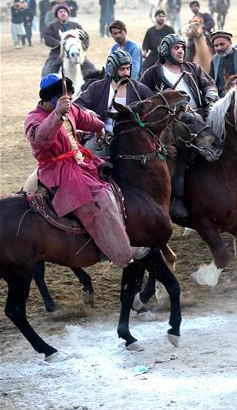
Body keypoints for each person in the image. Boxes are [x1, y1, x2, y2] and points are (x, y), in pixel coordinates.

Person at [26, 73, 148, 266]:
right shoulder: (33, 119)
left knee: (115, 183)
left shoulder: (69, 108)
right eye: (64, 98)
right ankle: (120, 252)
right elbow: (40, 140)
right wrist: (57, 114)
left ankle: (122, 235)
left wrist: (99, 127)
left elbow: (86, 119)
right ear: (51, 98)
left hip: (80, 163)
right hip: (57, 171)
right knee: (100, 198)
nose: (69, 102)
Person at [139, 33, 218, 218]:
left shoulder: (193, 68)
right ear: (166, 51)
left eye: (182, 47)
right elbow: (143, 96)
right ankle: (179, 199)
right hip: (174, 122)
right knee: (181, 154)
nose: (181, 51)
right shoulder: (152, 73)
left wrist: (211, 94)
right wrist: (162, 100)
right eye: (176, 48)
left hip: (201, 115)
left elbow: (209, 84)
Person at [75, 51, 154, 143]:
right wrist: (87, 112)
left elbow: (154, 105)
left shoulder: (139, 88)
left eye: (128, 68)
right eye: (122, 69)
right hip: (101, 136)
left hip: (132, 138)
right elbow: (77, 105)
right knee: (90, 152)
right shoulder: (97, 87)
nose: (126, 73)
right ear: (112, 69)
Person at [41, 3, 95, 77]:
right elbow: (47, 37)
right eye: (60, 12)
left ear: (68, 14)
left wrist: (80, 46)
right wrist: (61, 44)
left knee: (91, 68)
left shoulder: (76, 26)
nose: (63, 13)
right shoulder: (52, 26)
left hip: (76, 52)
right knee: (48, 72)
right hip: (58, 54)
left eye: (64, 11)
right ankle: (47, 87)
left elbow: (84, 37)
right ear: (57, 15)